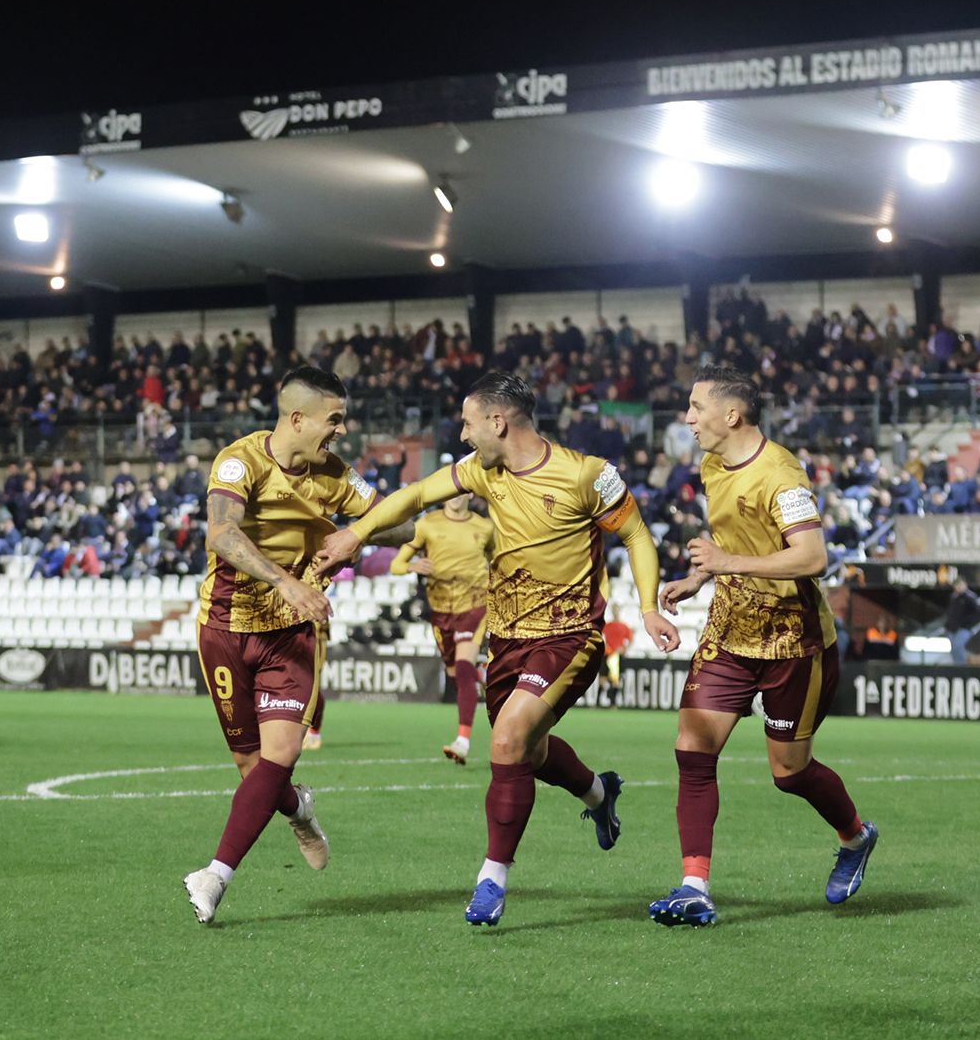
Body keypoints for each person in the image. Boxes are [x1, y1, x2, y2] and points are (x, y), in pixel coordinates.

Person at [316, 370, 678, 927]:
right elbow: (414, 495)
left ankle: (492, 879)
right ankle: (599, 795)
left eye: (466, 423)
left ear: (497, 421)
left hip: (568, 634)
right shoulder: (484, 473)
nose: (462, 436)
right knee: (527, 754)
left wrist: (648, 606)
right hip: (507, 637)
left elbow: (635, 535)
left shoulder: (587, 475)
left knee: (507, 740)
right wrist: (353, 535)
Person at [649, 364, 877, 927]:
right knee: (692, 750)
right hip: (730, 629)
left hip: (793, 639)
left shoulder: (782, 474)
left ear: (732, 415)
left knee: (789, 773)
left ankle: (855, 836)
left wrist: (726, 563)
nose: (687, 418)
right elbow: (732, 540)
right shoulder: (710, 464)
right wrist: (702, 577)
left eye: (696, 407)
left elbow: (813, 557)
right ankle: (694, 886)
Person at [182, 366, 409, 924]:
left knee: (278, 758)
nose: (341, 430)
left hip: (291, 633)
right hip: (226, 627)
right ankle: (299, 809)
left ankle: (215, 875)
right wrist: (285, 579)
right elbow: (222, 533)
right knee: (252, 766)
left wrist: (360, 532)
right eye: (334, 419)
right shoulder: (240, 462)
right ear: (298, 418)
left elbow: (399, 524)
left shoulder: (335, 475)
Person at [389, 494, 494, 763]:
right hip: (441, 609)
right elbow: (396, 565)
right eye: (450, 491)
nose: (455, 496)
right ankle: (479, 675)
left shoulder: (484, 527)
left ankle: (462, 740)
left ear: (470, 493)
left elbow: (499, 562)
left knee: (461, 667)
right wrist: (414, 566)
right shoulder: (426, 524)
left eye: (460, 491)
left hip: (474, 605)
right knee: (457, 674)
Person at [945, 578, 980, 664]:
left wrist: (967, 624)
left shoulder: (970, 597)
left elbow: (976, 613)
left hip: (964, 628)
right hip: (952, 628)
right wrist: (947, 625)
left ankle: (962, 668)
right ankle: (956, 667)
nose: (959, 587)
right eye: (957, 585)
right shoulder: (954, 597)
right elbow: (950, 613)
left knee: (958, 646)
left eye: (961, 585)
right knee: (953, 649)